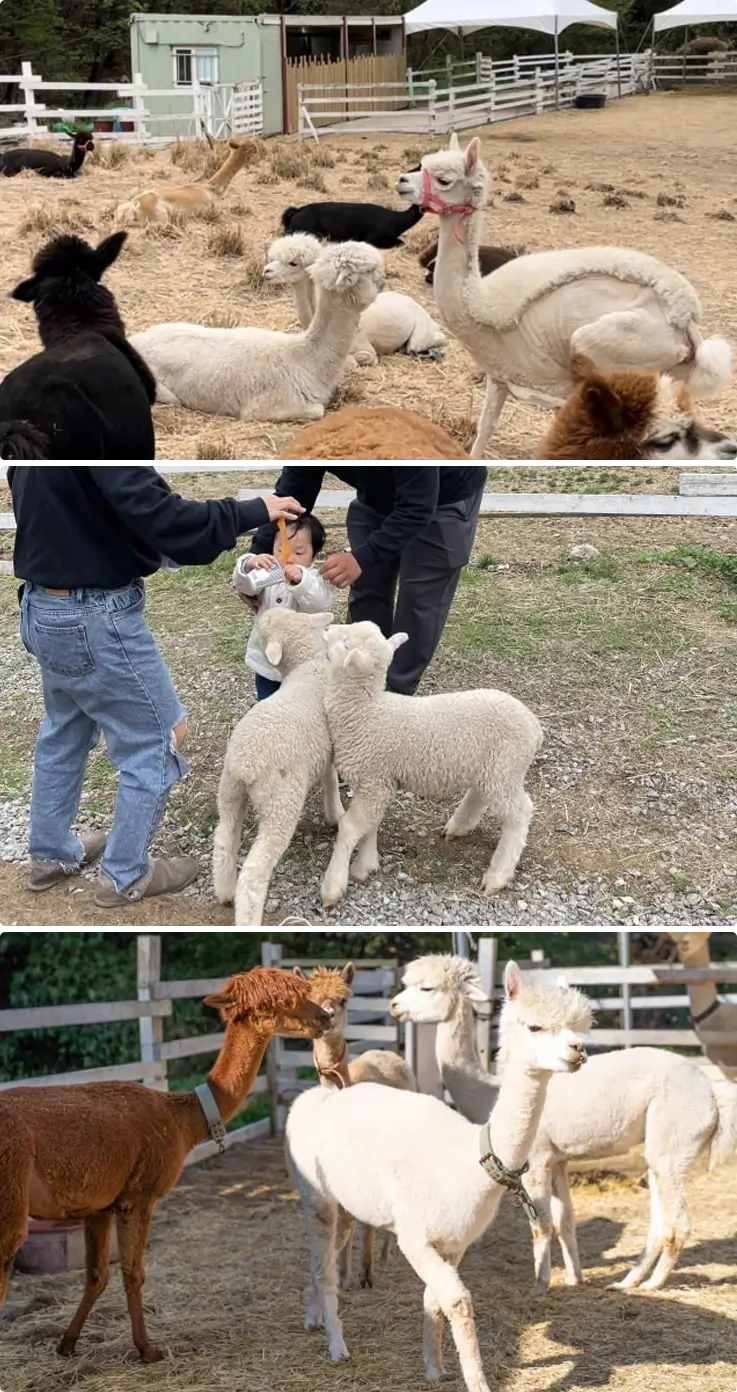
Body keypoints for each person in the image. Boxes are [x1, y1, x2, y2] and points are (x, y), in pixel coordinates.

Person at [8, 462, 304, 908]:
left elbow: (88, 514)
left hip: (41, 604)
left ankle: (51, 853)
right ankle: (126, 873)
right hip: (95, 612)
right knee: (159, 738)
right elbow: (166, 517)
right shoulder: (104, 431)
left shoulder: (38, 426)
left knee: (64, 729)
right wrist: (254, 509)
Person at [250, 465, 487, 696]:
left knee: (419, 602)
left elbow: (418, 505)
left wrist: (363, 557)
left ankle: (395, 696)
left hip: (442, 497)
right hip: (376, 497)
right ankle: (356, 684)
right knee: (367, 591)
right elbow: (295, 490)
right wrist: (256, 562)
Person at [233, 512, 335, 702]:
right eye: (280, 550)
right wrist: (248, 565)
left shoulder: (316, 579)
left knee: (304, 702)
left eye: (298, 553)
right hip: (267, 660)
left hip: (303, 662)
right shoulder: (268, 574)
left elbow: (320, 603)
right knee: (268, 701)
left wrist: (300, 582)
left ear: (313, 556)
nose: (287, 558)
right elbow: (245, 586)